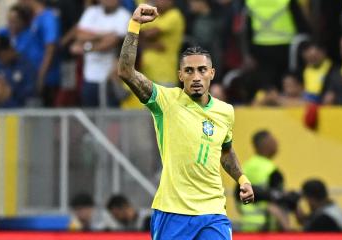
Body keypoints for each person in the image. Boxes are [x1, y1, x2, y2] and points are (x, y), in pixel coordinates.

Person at [117, 4, 254, 239]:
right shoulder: (165, 100)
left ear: (212, 73)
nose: (196, 76)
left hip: (213, 212)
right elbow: (126, 72)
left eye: (202, 70)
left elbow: (225, 150)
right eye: (189, 71)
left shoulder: (225, 111)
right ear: (180, 75)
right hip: (173, 212)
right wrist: (135, 26)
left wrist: (242, 179)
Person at [71, 0, 131, 107]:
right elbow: (79, 35)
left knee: (110, 119)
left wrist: (85, 47)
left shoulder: (124, 15)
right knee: (90, 116)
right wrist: (102, 34)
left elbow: (111, 42)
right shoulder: (91, 12)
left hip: (110, 79)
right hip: (89, 77)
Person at [240, 130, 286, 231]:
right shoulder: (272, 171)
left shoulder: (245, 168)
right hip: (267, 229)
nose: (277, 143)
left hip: (247, 228)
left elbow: (236, 197)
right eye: (273, 141)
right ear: (265, 144)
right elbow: (279, 202)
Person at [18, 0, 61, 107]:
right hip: (30, 76)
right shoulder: (32, 18)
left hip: (45, 78)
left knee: (43, 114)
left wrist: (41, 76)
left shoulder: (48, 17)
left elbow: (50, 47)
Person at [0, 36, 36, 108]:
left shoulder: (26, 66)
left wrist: (11, 91)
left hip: (20, 112)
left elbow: (32, 91)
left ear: (8, 50)